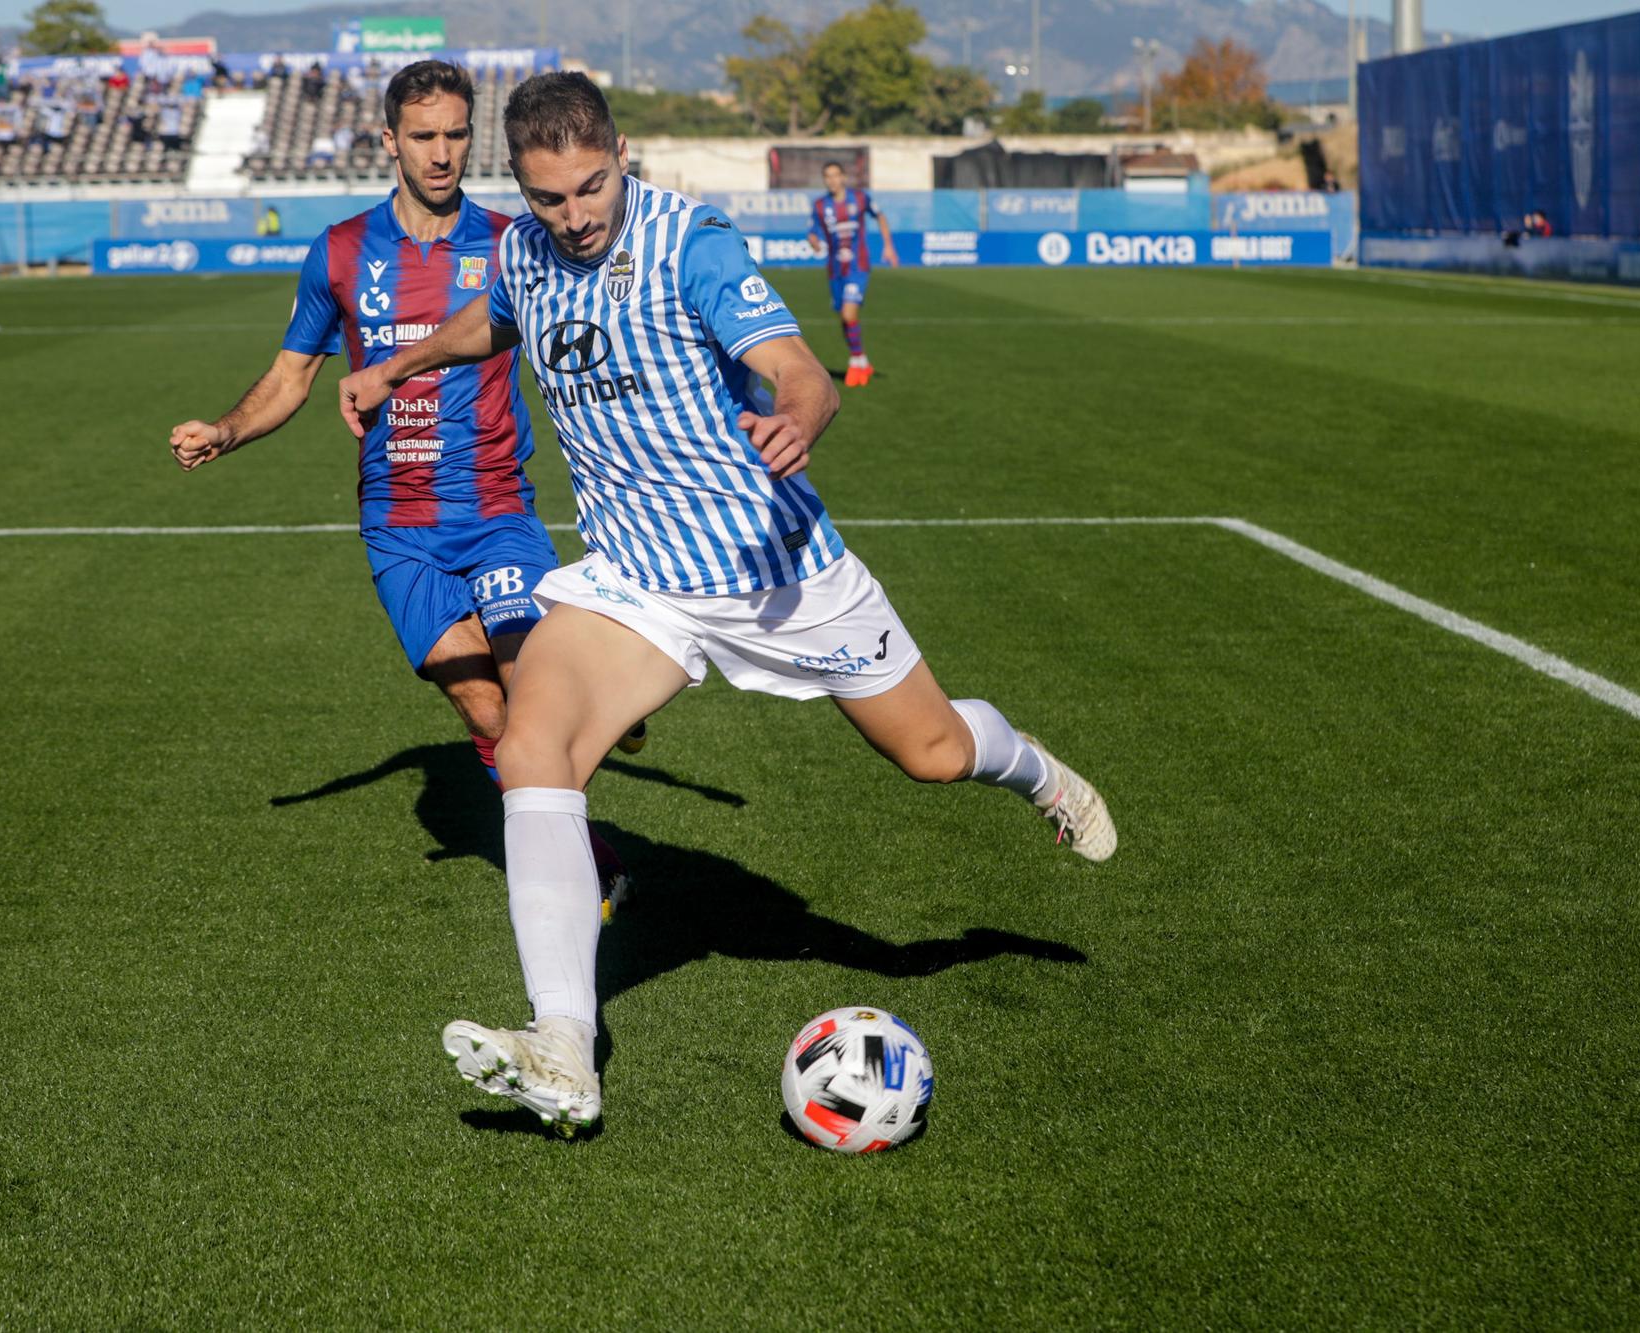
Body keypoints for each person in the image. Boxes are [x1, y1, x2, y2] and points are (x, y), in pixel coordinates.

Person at [339, 72, 1115, 1138]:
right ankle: (564, 1046)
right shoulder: (524, 249)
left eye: (591, 188)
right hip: (637, 582)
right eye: (549, 197)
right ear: (518, 183)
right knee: (532, 746)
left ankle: (1031, 766)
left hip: (776, 571)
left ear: (623, 154)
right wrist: (399, 365)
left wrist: (797, 416)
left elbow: (798, 371)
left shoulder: (688, 242)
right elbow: (494, 317)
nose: (574, 217)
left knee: (932, 752)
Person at [167, 61, 638, 923]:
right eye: (424, 136)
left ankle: (602, 728)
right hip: (399, 526)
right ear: (389, 141)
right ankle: (595, 861)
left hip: (498, 510)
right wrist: (228, 429)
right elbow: (292, 373)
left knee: (538, 698)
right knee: (486, 710)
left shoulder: (512, 242)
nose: (442, 152)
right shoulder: (342, 251)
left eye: (457, 134)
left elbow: (602, 322)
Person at [805, 159, 897, 387]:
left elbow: (881, 216)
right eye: (828, 176)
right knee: (844, 318)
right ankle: (862, 362)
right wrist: (814, 241)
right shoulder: (819, 206)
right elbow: (812, 232)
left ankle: (857, 360)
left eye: (836, 175)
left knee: (849, 313)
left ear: (843, 177)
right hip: (835, 269)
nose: (832, 180)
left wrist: (888, 246)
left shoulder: (860, 198)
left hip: (858, 266)